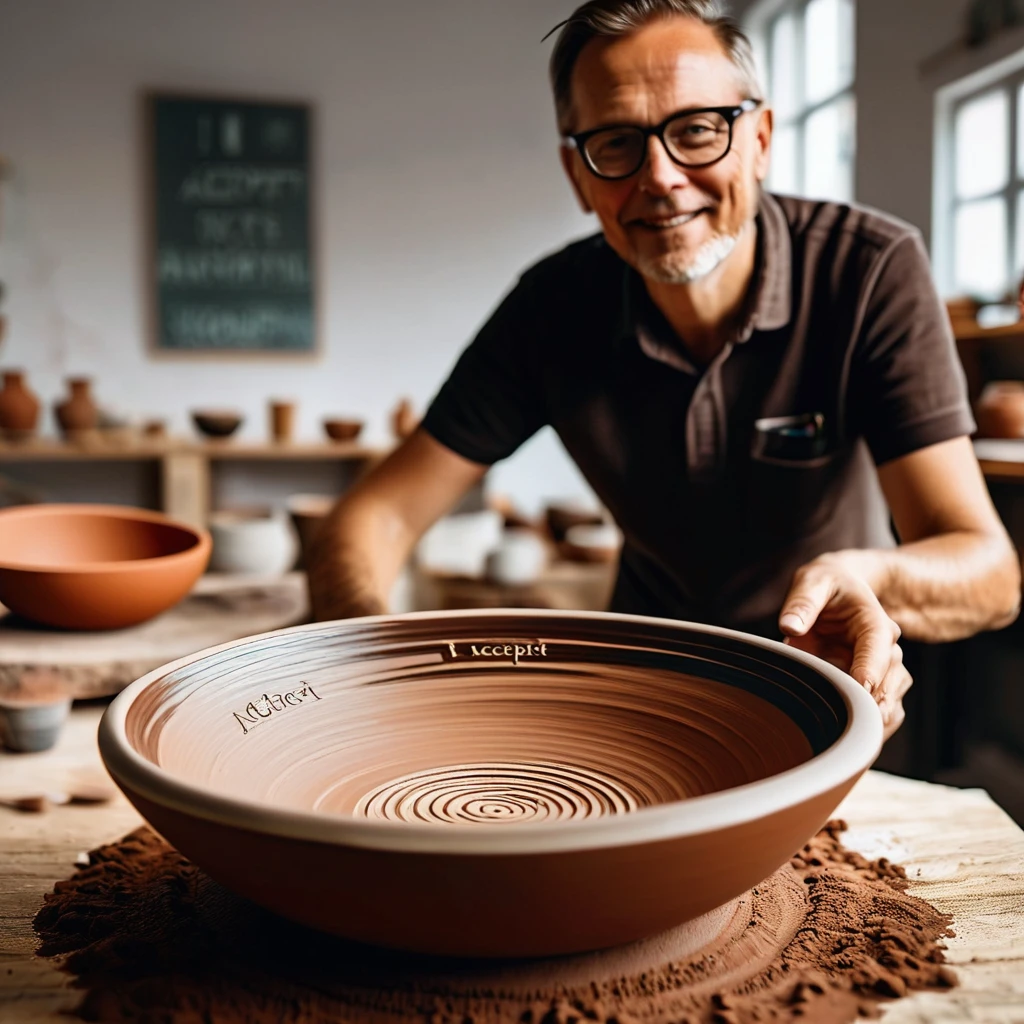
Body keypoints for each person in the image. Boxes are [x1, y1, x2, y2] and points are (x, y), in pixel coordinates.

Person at [308, 0, 1021, 739]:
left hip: (827, 697)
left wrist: (866, 576)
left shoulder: (869, 271)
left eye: (698, 131)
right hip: (641, 704)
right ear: (577, 176)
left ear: (761, 140)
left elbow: (990, 574)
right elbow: (372, 519)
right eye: (616, 144)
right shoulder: (550, 308)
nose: (661, 176)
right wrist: (375, 667)